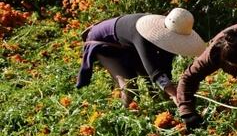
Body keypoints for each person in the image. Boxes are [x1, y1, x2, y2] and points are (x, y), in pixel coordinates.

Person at [76, 8, 206, 106]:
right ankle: (123, 117)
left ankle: (158, 108)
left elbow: (165, 64)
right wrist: (173, 94)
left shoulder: (168, 36)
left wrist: (170, 87)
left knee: (153, 83)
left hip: (126, 44)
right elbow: (152, 68)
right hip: (104, 44)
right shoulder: (143, 33)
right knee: (130, 87)